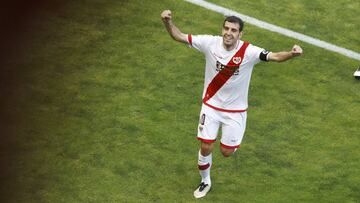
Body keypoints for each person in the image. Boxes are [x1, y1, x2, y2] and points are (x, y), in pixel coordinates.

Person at [160, 10, 303, 198]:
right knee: (205, 146)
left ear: (240, 34)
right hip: (210, 106)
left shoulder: (249, 52)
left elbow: (275, 56)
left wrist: (292, 54)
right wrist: (168, 22)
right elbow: (178, 36)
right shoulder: (209, 43)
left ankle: (232, 142)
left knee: (226, 152)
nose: (229, 33)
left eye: (234, 30)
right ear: (222, 30)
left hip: (235, 112)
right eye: (226, 28)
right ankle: (205, 181)